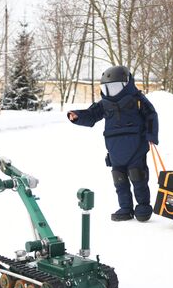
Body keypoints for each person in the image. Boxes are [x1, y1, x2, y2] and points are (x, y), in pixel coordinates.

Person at [68, 66, 159, 222]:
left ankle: (143, 206)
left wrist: (151, 135)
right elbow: (91, 115)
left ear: (127, 84)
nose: (112, 91)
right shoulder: (104, 104)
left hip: (136, 145)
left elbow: (151, 115)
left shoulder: (137, 99)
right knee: (119, 179)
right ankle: (125, 208)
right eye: (108, 87)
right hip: (115, 148)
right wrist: (78, 116)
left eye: (115, 86)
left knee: (138, 176)